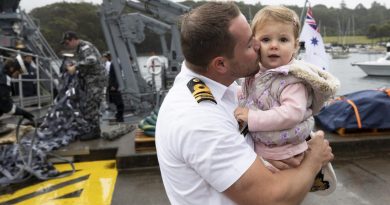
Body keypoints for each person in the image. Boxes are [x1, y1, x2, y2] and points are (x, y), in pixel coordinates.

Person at [155, 2, 334, 205]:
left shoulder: (222, 86)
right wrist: (314, 159)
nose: (260, 46)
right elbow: (273, 199)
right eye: (250, 44)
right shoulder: (199, 120)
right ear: (220, 64)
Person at [234, 5, 339, 194]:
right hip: (265, 147)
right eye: (266, 39)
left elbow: (292, 113)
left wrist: (251, 118)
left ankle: (311, 178)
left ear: (295, 46)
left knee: (276, 194)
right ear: (255, 43)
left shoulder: (291, 80)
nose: (274, 45)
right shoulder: (257, 74)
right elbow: (253, 96)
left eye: (283, 39)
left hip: (284, 151)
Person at [60, 31, 106, 140]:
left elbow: (91, 60)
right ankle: (91, 129)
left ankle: (95, 131)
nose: (67, 46)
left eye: (67, 43)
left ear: (72, 40)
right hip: (91, 80)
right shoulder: (80, 49)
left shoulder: (85, 47)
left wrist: (75, 67)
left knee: (91, 103)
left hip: (96, 80)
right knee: (89, 103)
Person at [0, 58, 35, 131]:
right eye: (18, 73)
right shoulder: (4, 79)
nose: (18, 76)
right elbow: (5, 105)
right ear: (12, 68)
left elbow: (6, 97)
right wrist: (21, 112)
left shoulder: (2, 74)